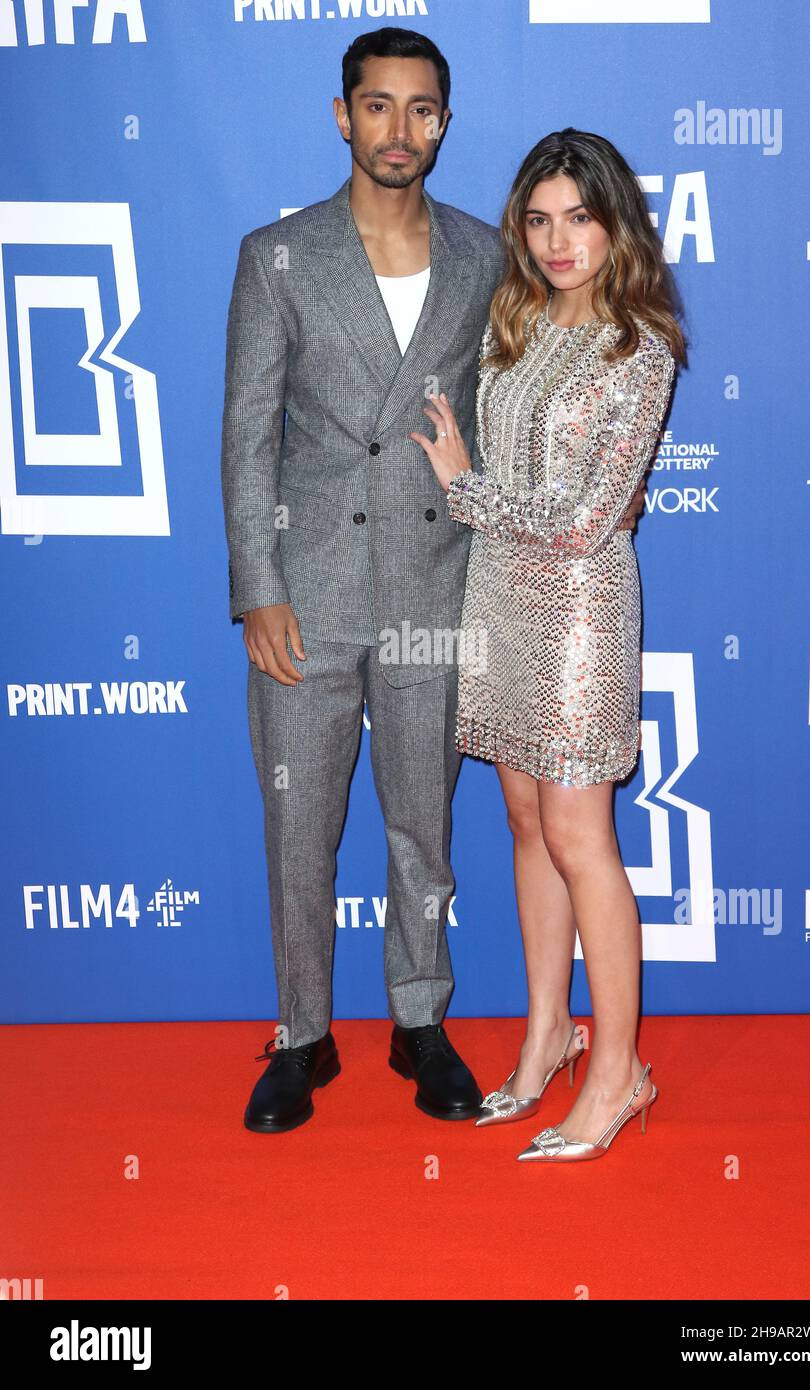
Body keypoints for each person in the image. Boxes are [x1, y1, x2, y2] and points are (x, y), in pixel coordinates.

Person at [220, 29, 646, 1134]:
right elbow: (246, 433)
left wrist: (614, 489)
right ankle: (302, 1036)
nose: (398, 129)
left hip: (441, 588)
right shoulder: (276, 256)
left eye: (421, 109)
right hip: (307, 591)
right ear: (343, 115)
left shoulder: (485, 256)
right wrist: (256, 584)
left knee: (425, 828)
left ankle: (420, 1020)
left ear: (444, 124)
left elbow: (546, 405)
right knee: (299, 829)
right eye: (378, 105)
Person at [412, 129, 685, 1162]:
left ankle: (617, 1073)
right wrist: (474, 483)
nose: (558, 240)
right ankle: (545, 1036)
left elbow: (584, 519)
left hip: (578, 612)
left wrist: (464, 488)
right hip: (498, 598)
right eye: (538, 220)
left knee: (580, 837)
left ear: (615, 225)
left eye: (578, 217)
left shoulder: (637, 348)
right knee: (525, 824)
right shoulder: (515, 323)